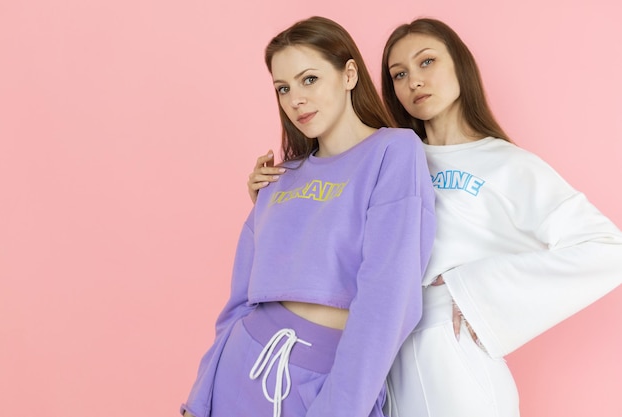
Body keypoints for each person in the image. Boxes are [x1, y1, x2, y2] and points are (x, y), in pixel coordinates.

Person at [248, 17, 622, 417]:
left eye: (427, 63)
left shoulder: (507, 166)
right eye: (399, 74)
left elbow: (607, 249)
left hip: (449, 356)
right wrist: (271, 198)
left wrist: (477, 289)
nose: (414, 81)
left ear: (460, 65)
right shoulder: (386, 156)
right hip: (375, 357)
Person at [181, 16, 436, 417]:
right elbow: (238, 302)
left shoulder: (394, 152)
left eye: (309, 79)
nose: (295, 98)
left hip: (326, 383)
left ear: (349, 74)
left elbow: (388, 300)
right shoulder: (280, 178)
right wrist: (200, 398)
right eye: (283, 88)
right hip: (237, 371)